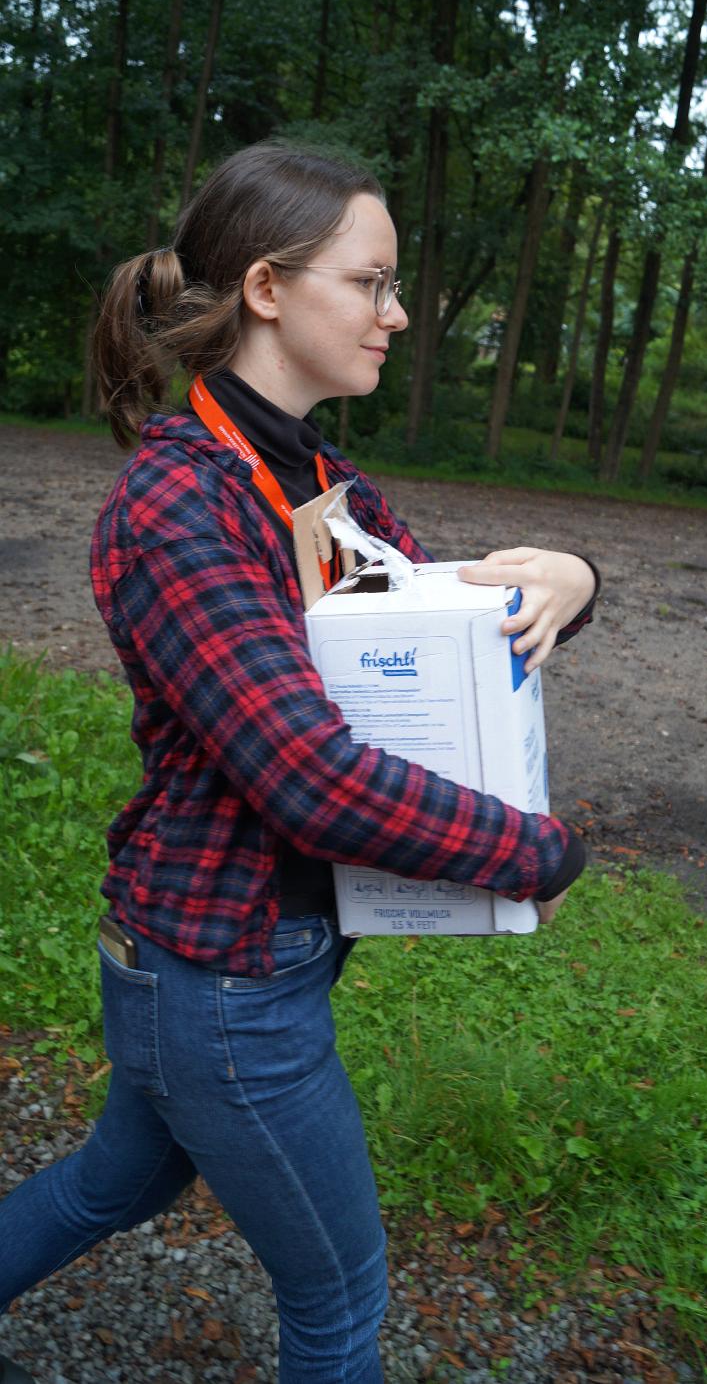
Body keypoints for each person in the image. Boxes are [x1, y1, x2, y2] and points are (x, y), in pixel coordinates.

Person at [0, 141, 598, 1383]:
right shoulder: (180, 503)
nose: (396, 314)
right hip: (222, 984)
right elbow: (309, 781)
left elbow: (433, 621)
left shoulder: (315, 482)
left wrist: (570, 581)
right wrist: (533, 854)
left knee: (113, 1185)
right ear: (268, 289)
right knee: (338, 1300)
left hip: (214, 966)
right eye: (371, 283)